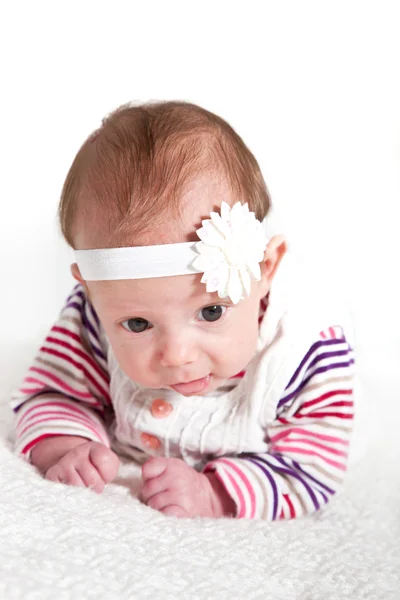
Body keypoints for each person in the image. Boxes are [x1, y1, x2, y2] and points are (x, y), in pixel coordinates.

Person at [10, 101, 355, 520]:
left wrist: (214, 493)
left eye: (211, 312)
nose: (177, 355)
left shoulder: (306, 347)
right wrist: (66, 445)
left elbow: (312, 468)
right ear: (91, 291)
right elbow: (50, 393)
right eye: (137, 324)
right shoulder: (91, 318)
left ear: (265, 269)